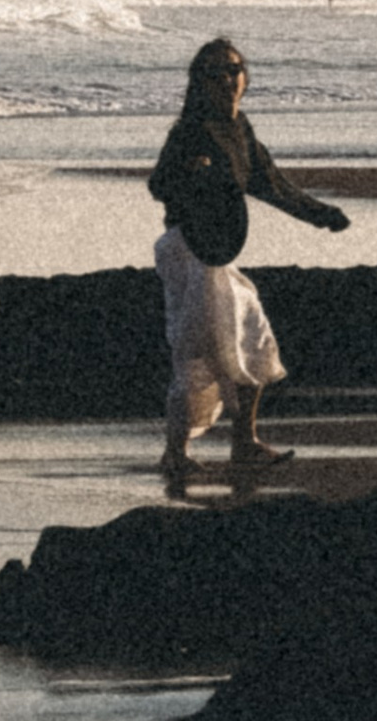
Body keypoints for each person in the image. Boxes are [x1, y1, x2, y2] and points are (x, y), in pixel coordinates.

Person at [145, 38, 348, 495]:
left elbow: (271, 184)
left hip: (217, 253)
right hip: (189, 251)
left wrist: (322, 215)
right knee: (200, 352)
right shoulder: (191, 131)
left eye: (234, 69)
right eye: (215, 73)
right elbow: (158, 185)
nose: (227, 79)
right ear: (199, 82)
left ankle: (244, 443)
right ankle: (176, 453)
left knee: (254, 338)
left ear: (246, 76)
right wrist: (190, 173)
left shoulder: (240, 129)